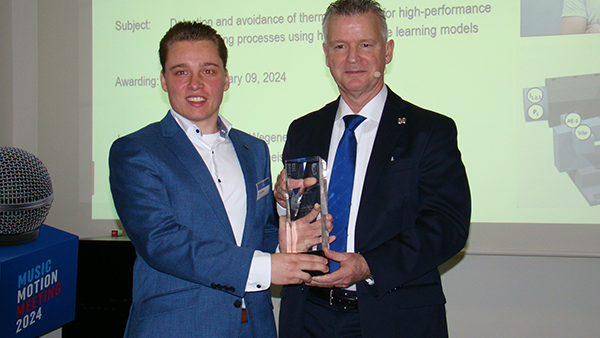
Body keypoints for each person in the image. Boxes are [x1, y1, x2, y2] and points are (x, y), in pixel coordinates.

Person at [109, 21, 328, 338]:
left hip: (254, 326)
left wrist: (287, 232)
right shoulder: (136, 151)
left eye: (208, 71)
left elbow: (257, 233)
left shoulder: (253, 149)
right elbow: (162, 242)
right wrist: (265, 268)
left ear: (226, 79)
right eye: (181, 72)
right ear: (163, 80)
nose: (195, 84)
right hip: (177, 328)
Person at [274, 0, 471, 337]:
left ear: (388, 50)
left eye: (366, 44)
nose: (353, 57)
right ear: (326, 54)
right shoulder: (303, 130)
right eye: (340, 46)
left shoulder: (428, 130)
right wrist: (282, 202)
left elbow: (447, 226)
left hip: (395, 317)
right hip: (309, 316)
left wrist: (367, 265)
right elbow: (290, 228)